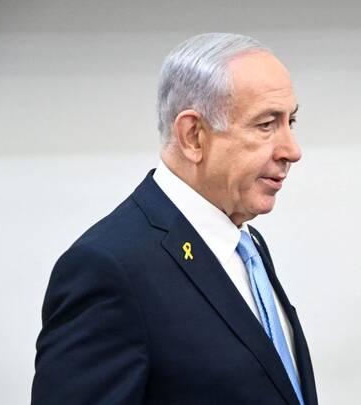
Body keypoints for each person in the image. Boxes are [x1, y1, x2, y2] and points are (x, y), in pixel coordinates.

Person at [31, 32, 317, 405]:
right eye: (266, 125)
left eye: (290, 121)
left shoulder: (247, 245)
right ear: (193, 136)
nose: (292, 150)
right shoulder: (109, 268)